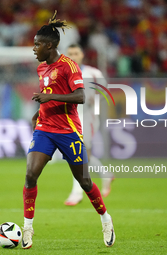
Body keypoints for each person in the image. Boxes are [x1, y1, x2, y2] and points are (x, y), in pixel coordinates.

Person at [22, 11, 115, 249]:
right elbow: (48, 98)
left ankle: (105, 219)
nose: (34, 49)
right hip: (44, 129)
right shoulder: (41, 68)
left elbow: (81, 97)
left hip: (68, 131)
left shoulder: (69, 67)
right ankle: (28, 228)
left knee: (84, 181)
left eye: (37, 45)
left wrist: (49, 96)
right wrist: (37, 113)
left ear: (50, 45)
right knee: (31, 175)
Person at [64, 44, 114, 206]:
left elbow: (105, 91)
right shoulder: (63, 73)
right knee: (83, 155)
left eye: (76, 53)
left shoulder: (93, 73)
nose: (73, 56)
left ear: (82, 55)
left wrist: (96, 98)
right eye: (70, 53)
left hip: (88, 117)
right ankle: (105, 174)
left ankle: (76, 193)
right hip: (70, 117)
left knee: (77, 152)